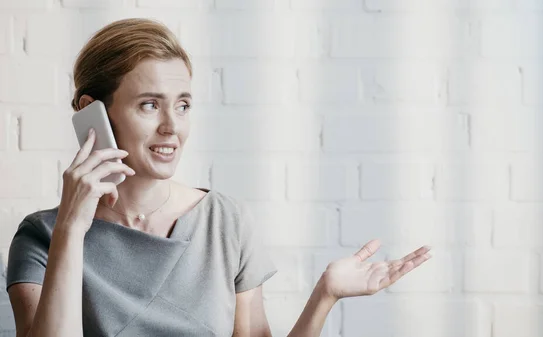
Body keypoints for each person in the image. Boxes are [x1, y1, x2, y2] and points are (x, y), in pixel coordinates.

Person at [5, 18, 432, 337]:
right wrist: (72, 228)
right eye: (150, 105)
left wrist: (325, 294)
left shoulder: (224, 222)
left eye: (184, 104)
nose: (172, 126)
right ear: (90, 112)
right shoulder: (42, 237)